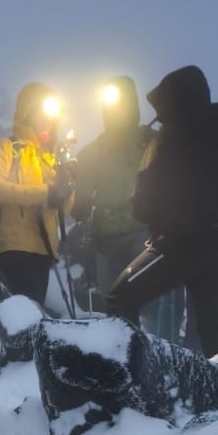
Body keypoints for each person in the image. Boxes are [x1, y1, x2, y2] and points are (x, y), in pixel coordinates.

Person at [103, 65, 218, 365]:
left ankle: (131, 379)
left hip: (179, 245)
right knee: (213, 323)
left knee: (119, 299)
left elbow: (143, 205)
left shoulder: (174, 135)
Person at [71, 75, 185, 340]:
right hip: (108, 236)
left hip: (145, 231)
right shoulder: (95, 152)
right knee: (119, 304)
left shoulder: (152, 141)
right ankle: (130, 361)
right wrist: (79, 202)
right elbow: (83, 195)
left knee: (146, 299)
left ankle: (157, 358)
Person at [0, 82, 73, 307]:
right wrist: (45, 192)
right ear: (28, 113)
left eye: (52, 116)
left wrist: (66, 189)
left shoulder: (50, 159)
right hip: (11, 245)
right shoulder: (7, 147)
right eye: (43, 114)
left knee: (33, 312)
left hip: (43, 249)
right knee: (30, 311)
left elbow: (62, 209)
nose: (49, 121)